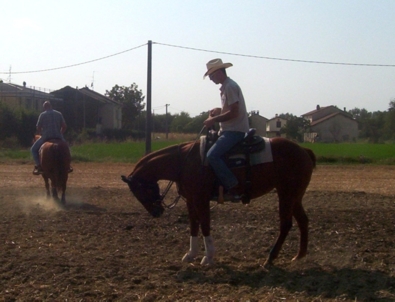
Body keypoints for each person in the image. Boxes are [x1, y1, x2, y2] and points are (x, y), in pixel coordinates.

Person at [203, 58, 249, 200]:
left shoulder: (229, 87)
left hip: (234, 130)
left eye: (211, 75)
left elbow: (235, 112)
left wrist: (214, 120)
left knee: (212, 155)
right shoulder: (226, 86)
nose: (210, 79)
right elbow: (230, 108)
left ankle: (233, 187)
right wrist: (219, 110)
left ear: (218, 73)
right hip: (229, 129)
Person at [31, 101, 72, 175]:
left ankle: (39, 166)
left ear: (44, 107)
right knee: (67, 148)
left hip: (46, 137)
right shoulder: (59, 114)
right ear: (51, 106)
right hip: (58, 136)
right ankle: (68, 165)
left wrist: (41, 133)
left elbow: (38, 127)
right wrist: (60, 133)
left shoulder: (42, 115)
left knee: (33, 150)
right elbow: (64, 126)